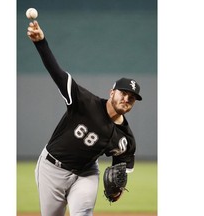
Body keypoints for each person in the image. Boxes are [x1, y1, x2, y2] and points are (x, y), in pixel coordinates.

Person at [27, 19, 142, 216]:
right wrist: (40, 42)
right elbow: (57, 73)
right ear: (112, 92)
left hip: (86, 173)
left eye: (131, 98)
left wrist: (119, 188)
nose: (126, 98)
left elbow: (121, 165)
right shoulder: (84, 101)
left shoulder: (125, 139)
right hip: (52, 167)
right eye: (123, 93)